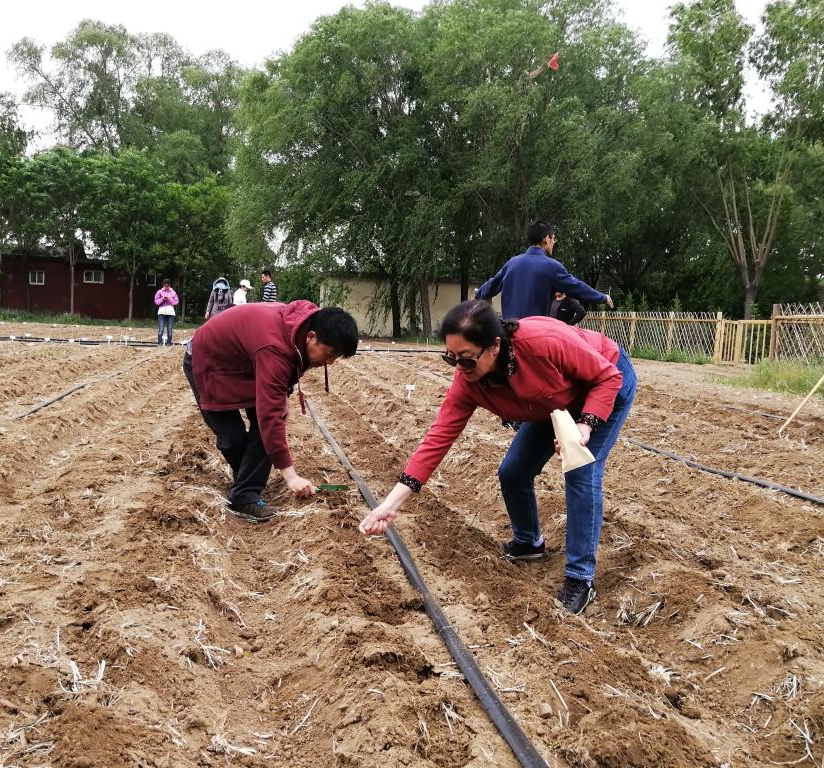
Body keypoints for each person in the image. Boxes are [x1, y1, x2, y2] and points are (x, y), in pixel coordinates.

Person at [359, 300, 637, 615]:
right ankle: (529, 543)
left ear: (494, 346)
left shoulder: (542, 342)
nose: (459, 367)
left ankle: (580, 578)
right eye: (451, 358)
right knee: (513, 472)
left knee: (581, 472)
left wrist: (585, 425)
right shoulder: (469, 382)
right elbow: (437, 439)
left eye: (466, 358)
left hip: (604, 384)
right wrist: (389, 505)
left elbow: (607, 377)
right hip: (548, 402)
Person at [183, 300, 359, 521]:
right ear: (311, 336)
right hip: (207, 360)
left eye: (335, 358)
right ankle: (245, 492)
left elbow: (286, 370)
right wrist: (291, 476)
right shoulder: (274, 347)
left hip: (245, 362)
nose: (329, 362)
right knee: (233, 435)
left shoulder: (301, 327)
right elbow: (270, 416)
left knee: (265, 427)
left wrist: (284, 394)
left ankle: (245, 492)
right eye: (329, 354)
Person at [475, 221, 612, 319]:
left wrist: (478, 293)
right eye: (553, 238)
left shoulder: (512, 263)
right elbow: (577, 287)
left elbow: (490, 286)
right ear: (546, 239)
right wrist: (603, 297)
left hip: (509, 335)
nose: (554, 242)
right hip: (534, 336)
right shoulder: (551, 266)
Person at [154, 279, 179, 345]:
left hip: (170, 312)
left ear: (170, 286)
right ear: (163, 285)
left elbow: (176, 302)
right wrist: (162, 299)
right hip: (161, 312)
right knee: (161, 328)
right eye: (165, 286)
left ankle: (169, 342)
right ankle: (159, 342)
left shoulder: (173, 292)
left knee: (169, 329)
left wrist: (169, 300)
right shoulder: (159, 292)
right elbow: (156, 302)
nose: (166, 287)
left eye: (167, 286)